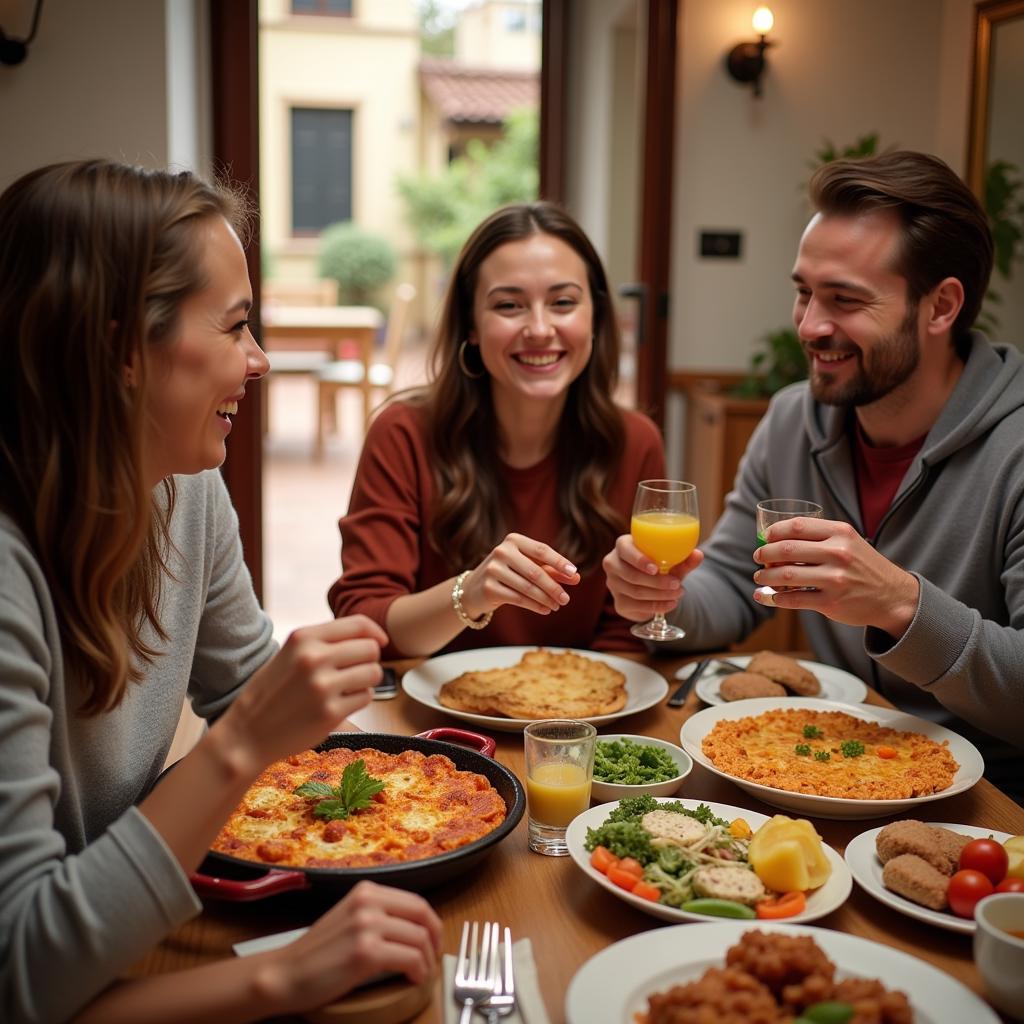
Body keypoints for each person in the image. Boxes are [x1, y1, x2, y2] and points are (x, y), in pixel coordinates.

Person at [0, 159, 441, 1024]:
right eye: (237, 326)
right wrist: (283, 976)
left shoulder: (182, 485)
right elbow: (19, 975)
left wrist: (410, 817)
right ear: (122, 350)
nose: (262, 358)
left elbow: (244, 681)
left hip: (136, 935)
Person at [604, 150, 1024, 799]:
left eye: (845, 300)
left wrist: (902, 604)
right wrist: (663, 597)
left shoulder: (1015, 449)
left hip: (990, 805)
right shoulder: (791, 420)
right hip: (820, 774)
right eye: (803, 292)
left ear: (940, 307)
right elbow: (733, 585)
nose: (809, 325)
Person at [329, 202, 665, 658]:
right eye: (509, 305)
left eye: (563, 302)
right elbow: (366, 623)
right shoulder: (403, 433)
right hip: (430, 724)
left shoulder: (634, 441)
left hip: (584, 721)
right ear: (470, 324)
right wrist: (470, 594)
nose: (540, 329)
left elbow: (627, 634)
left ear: (595, 318)